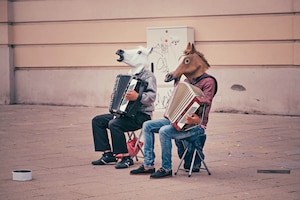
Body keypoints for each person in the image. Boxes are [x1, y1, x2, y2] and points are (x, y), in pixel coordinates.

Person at [130, 43, 217, 178]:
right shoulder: (187, 81)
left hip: (196, 125)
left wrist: (196, 119)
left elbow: (207, 102)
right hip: (176, 121)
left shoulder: (208, 81)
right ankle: (148, 164)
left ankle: (166, 168)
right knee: (147, 125)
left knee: (165, 132)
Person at [91, 48, 157, 169]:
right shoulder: (129, 74)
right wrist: (116, 96)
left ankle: (126, 157)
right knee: (97, 120)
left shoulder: (149, 76)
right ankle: (108, 154)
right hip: (126, 114)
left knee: (114, 124)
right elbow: (123, 95)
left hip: (141, 115)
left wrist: (138, 97)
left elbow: (152, 97)